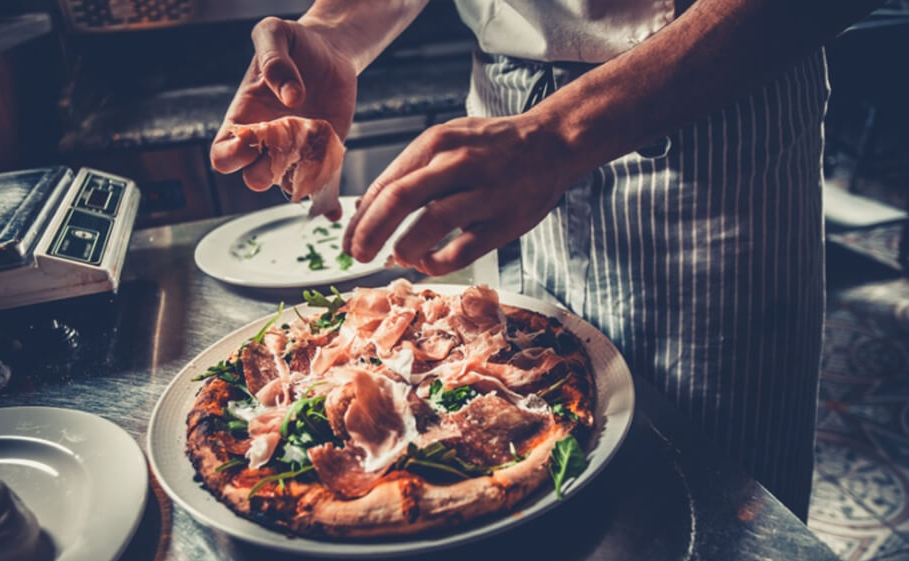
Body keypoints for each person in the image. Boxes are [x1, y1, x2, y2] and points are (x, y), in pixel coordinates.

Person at [210, 0, 882, 520]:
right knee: (564, 529)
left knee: (721, 513)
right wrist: (335, 30)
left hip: (706, 107)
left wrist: (560, 131)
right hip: (506, 112)